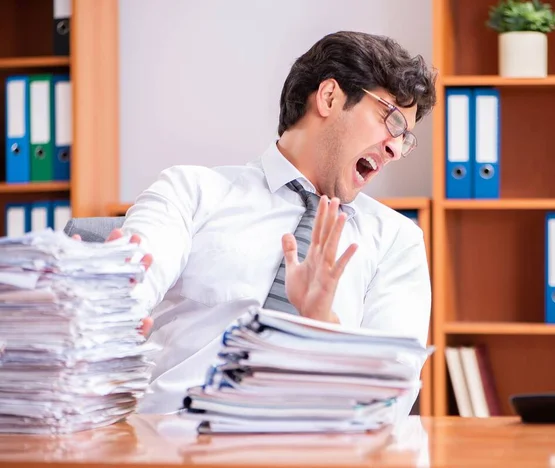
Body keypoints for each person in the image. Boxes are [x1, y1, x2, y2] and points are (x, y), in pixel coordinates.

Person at [110, 30, 437, 415]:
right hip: (175, 440)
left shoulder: (398, 241)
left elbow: (390, 401)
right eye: (393, 121)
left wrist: (323, 325)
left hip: (320, 450)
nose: (396, 148)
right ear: (330, 97)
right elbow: (131, 286)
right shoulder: (192, 191)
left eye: (406, 138)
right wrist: (105, 296)